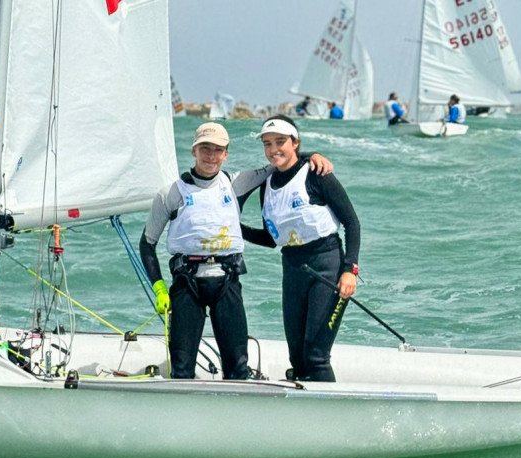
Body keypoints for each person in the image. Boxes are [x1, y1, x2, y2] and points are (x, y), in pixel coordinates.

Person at [139, 122, 333, 380]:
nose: (211, 155)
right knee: (182, 368)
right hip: (186, 283)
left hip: (227, 282)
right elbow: (147, 243)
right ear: (193, 151)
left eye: (218, 150)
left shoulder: (237, 182)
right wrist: (159, 288)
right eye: (205, 148)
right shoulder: (170, 194)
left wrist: (313, 156)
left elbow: (282, 160)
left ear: (226, 154)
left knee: (238, 369)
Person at [241, 115, 360, 383]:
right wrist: (239, 230)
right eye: (268, 143)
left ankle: (331, 418)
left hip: (326, 267)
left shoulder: (317, 174)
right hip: (293, 270)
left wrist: (350, 269)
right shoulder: (268, 185)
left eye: (280, 142)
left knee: (316, 355)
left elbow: (352, 222)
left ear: (295, 143)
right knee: (297, 356)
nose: (274, 149)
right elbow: (274, 239)